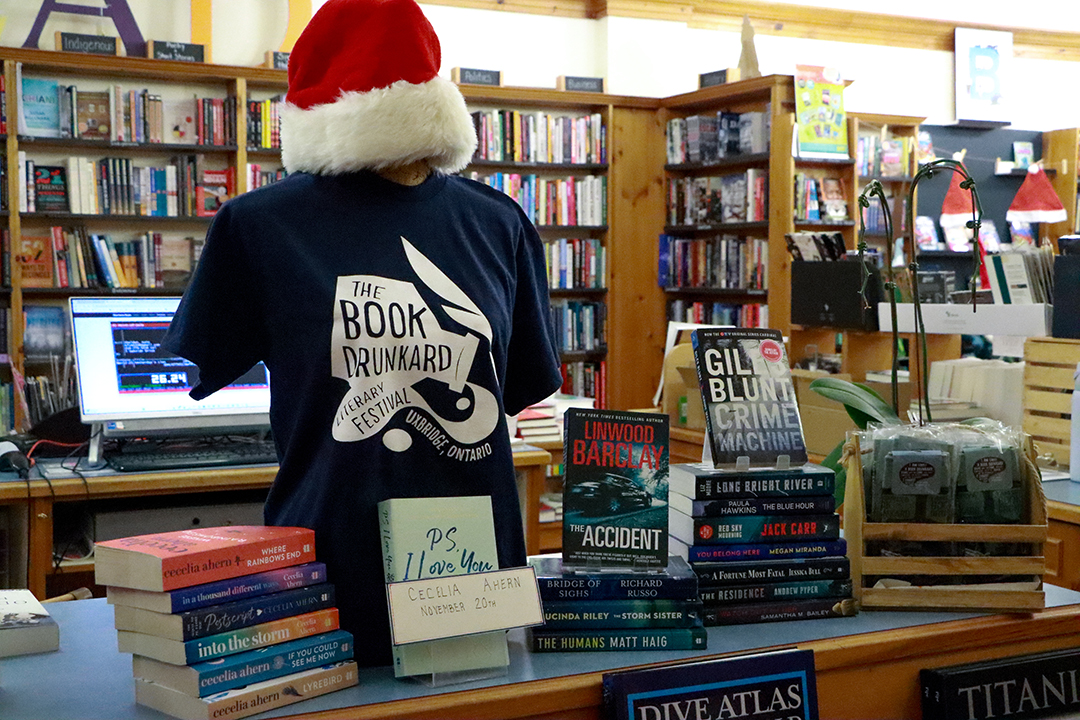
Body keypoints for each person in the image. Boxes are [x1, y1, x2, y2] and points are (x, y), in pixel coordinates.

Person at [163, 0, 563, 667]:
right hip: (325, 576)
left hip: (471, 583)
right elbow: (210, 358)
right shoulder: (259, 228)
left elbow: (515, 386)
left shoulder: (501, 224)